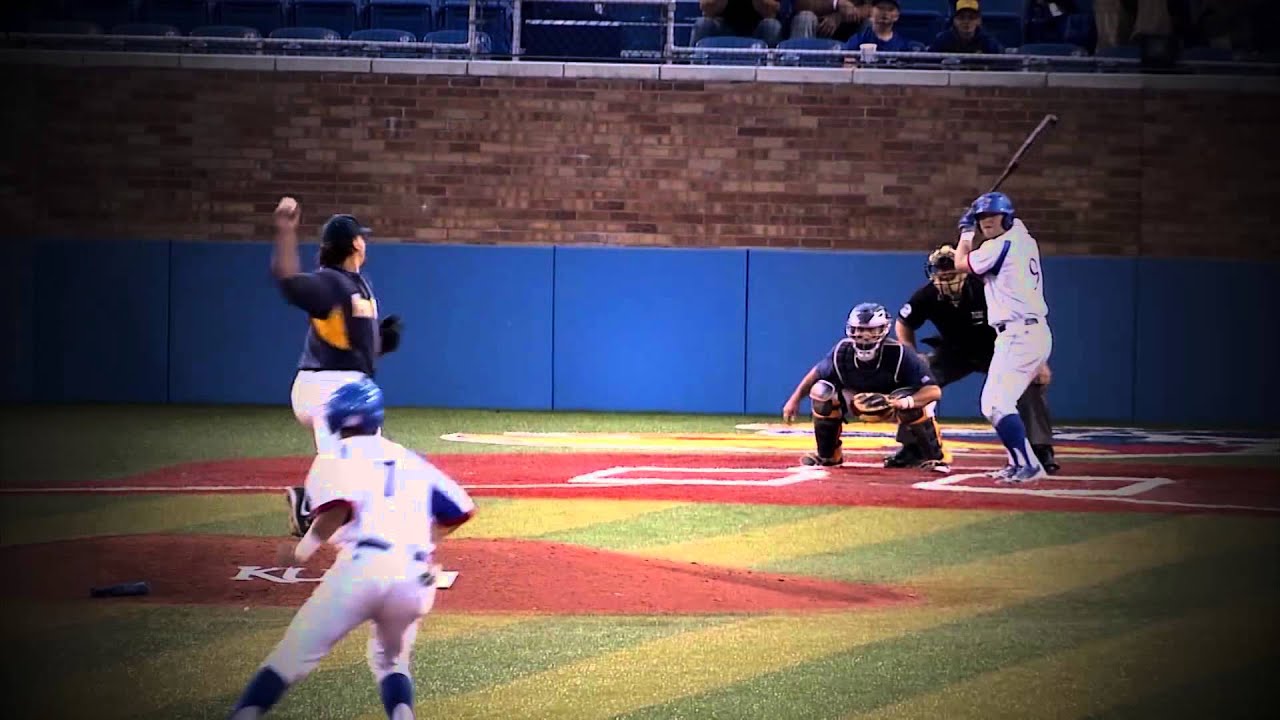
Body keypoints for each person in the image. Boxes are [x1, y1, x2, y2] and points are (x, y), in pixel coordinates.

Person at [227, 378, 476, 720]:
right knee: (391, 662)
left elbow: (337, 510)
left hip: (360, 572)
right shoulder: (410, 459)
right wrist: (424, 545)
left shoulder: (333, 457)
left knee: (290, 656)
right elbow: (460, 510)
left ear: (334, 421)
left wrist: (299, 553)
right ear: (378, 419)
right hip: (414, 580)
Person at [270, 196, 404, 537]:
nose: (365, 242)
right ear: (355, 243)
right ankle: (309, 505)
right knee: (347, 472)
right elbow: (288, 281)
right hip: (326, 387)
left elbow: (353, 346)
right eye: (362, 237)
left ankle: (319, 509)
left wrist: (381, 341)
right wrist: (285, 230)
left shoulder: (359, 284)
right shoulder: (330, 281)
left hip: (346, 387)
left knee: (366, 469)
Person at [894, 243, 1060, 473]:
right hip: (952, 352)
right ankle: (913, 446)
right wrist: (912, 356)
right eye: (941, 272)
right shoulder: (927, 295)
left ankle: (1040, 447)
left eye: (951, 270)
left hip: (997, 349)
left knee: (1030, 384)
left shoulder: (987, 288)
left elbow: (1021, 319)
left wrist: (1036, 361)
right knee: (914, 381)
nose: (946, 276)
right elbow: (903, 323)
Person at [953, 192, 1054, 483]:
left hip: (1020, 333)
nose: (987, 221)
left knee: (996, 404)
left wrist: (965, 234)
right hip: (1021, 332)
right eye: (982, 217)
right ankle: (1019, 462)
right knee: (997, 402)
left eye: (993, 216)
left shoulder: (1002, 244)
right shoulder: (1022, 237)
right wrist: (978, 213)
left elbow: (960, 263)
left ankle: (1028, 465)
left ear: (1007, 218)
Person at [783, 302, 951, 473]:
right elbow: (816, 374)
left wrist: (903, 402)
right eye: (859, 329)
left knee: (913, 404)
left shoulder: (900, 354)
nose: (864, 335)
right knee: (821, 391)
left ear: (883, 329)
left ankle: (935, 457)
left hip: (895, 405)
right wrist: (794, 400)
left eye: (871, 330)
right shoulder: (842, 351)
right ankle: (828, 456)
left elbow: (933, 391)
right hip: (856, 402)